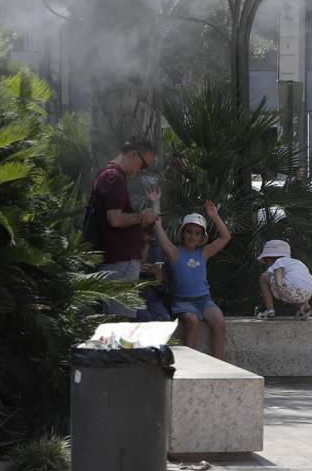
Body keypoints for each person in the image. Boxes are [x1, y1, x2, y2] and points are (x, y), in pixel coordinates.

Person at [150, 200, 232, 358]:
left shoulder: (204, 252)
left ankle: (219, 364)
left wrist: (214, 216)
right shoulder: (174, 252)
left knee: (219, 322)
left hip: (205, 301)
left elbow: (225, 237)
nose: (192, 236)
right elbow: (158, 227)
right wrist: (156, 202)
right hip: (183, 303)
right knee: (192, 321)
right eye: (189, 231)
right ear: (182, 233)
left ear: (202, 236)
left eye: (197, 233)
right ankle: (189, 365)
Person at [90, 139, 159, 316]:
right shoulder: (114, 176)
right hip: (120, 262)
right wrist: (142, 216)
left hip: (117, 261)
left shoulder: (110, 175)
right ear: (133, 154)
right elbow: (115, 219)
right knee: (119, 324)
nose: (139, 172)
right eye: (142, 165)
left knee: (116, 323)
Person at [257, 239, 312, 319]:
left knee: (263, 277)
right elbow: (306, 279)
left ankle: (270, 311)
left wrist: (279, 284)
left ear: (269, 259)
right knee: (295, 290)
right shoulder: (297, 263)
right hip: (308, 291)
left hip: (287, 286)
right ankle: (305, 307)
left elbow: (279, 271)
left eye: (266, 261)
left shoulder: (279, 261)